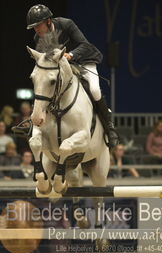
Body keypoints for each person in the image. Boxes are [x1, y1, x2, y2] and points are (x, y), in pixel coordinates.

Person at [26, 4, 119, 147]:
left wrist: (71, 55)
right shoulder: (38, 38)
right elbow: (47, 62)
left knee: (94, 89)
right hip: (62, 68)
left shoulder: (66, 24)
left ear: (49, 21)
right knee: (46, 86)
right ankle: (37, 124)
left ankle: (109, 127)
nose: (36, 29)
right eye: (34, 27)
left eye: (38, 25)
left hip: (83, 61)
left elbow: (85, 45)